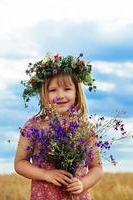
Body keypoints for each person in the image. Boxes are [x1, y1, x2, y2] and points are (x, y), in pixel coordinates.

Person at [14, 52, 103, 200]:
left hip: (76, 196)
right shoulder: (34, 126)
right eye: (53, 90)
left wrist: (82, 183)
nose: (60, 95)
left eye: (67, 89)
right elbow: (20, 163)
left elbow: (97, 168)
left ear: (76, 93)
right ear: (44, 94)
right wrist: (46, 174)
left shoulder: (84, 129)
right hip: (44, 195)